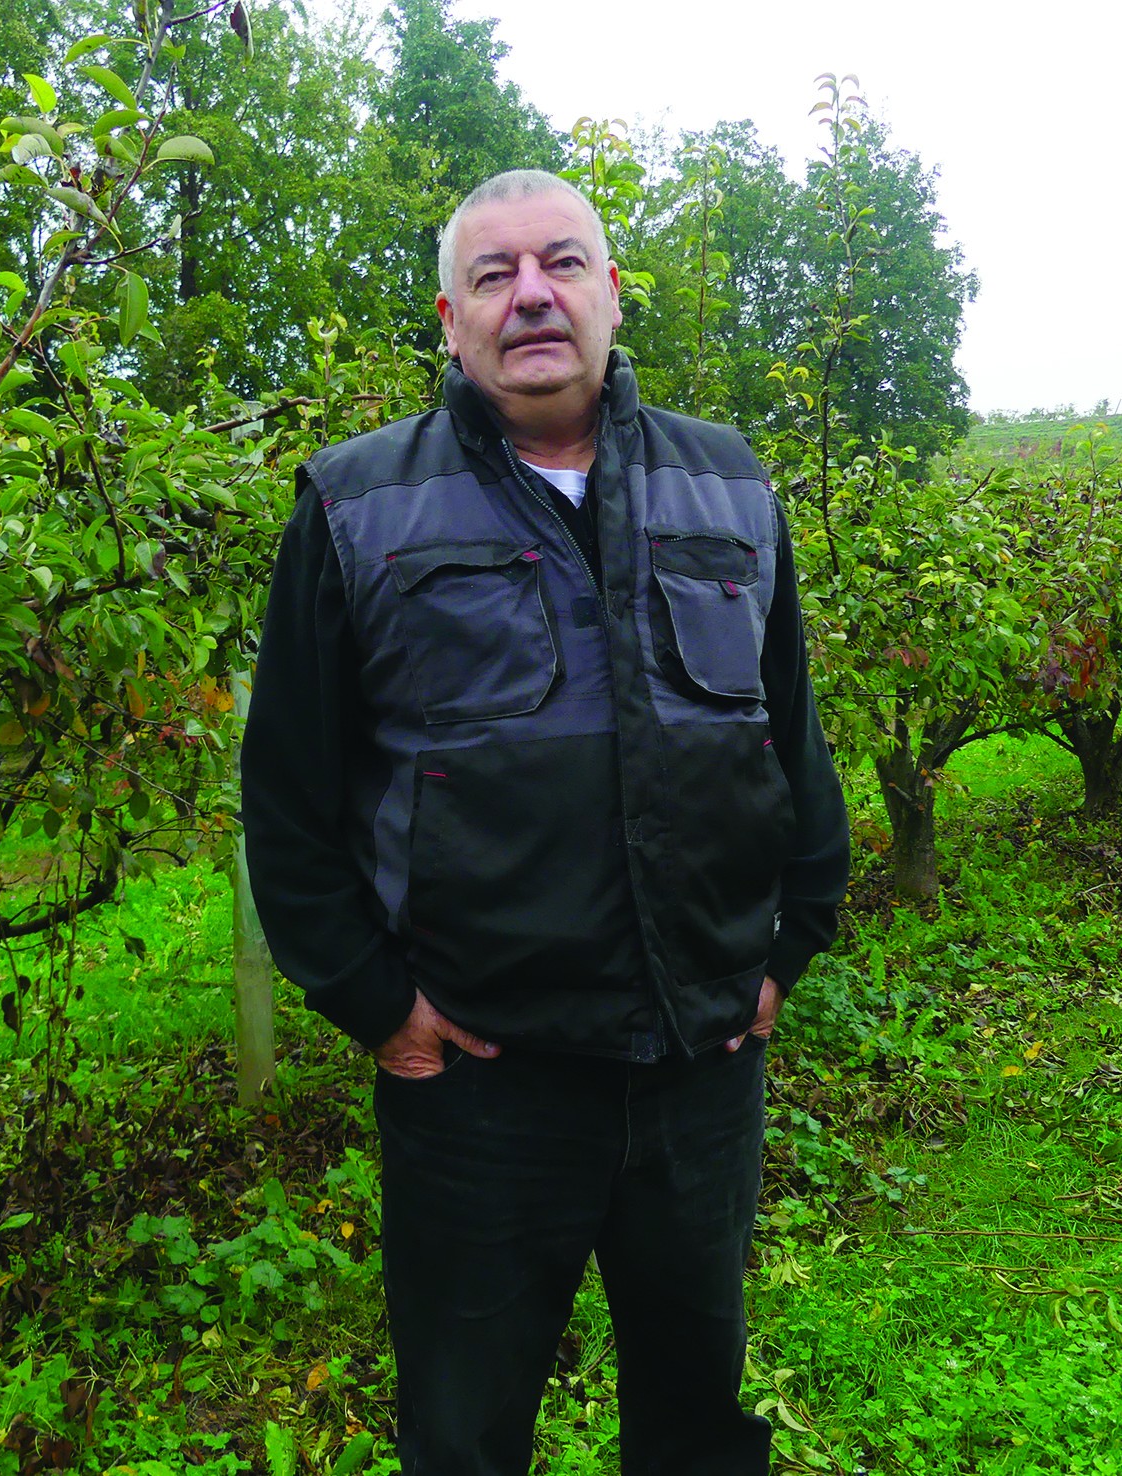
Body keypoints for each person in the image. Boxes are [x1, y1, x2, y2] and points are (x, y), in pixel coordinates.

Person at [242, 169, 849, 1475]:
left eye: (562, 264)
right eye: (493, 275)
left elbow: (787, 733)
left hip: (698, 1070)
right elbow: (286, 792)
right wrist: (368, 999)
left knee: (694, 1413)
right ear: (450, 317)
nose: (530, 296)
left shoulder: (727, 482)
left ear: (611, 294)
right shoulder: (357, 505)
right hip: (480, 1086)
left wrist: (787, 946)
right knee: (463, 1432)